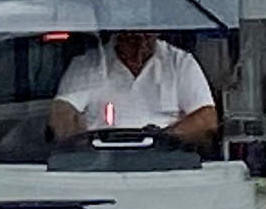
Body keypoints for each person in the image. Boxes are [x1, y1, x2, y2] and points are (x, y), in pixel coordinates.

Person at [50, 28, 217, 153]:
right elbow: (61, 114)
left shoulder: (180, 62)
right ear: (119, 34)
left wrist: (164, 139)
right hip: (100, 161)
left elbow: (206, 119)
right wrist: (83, 149)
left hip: (165, 159)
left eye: (146, 36)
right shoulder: (87, 64)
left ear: (156, 33)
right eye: (132, 38)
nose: (140, 45)